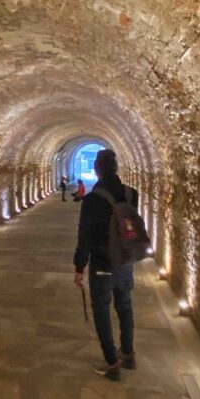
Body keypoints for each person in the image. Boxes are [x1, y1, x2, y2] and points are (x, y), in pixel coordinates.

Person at [73, 149, 137, 380]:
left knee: (101, 310)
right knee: (125, 305)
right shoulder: (131, 193)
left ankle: (111, 362)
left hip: (102, 262)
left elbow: (85, 236)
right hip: (125, 260)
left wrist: (80, 266)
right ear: (116, 168)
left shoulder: (92, 199)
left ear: (97, 169)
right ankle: (128, 353)